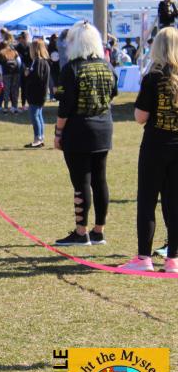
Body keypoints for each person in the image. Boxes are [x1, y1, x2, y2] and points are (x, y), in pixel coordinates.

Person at [53, 22, 116, 247]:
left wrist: (58, 132)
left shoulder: (71, 69)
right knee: (100, 180)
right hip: (103, 127)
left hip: (78, 130)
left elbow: (65, 106)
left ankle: (81, 232)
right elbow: (113, 94)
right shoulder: (107, 66)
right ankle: (98, 231)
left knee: (81, 181)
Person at [121, 27, 178, 272]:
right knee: (174, 203)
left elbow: (140, 117)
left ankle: (144, 257)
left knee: (147, 200)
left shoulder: (153, 77)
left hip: (156, 145)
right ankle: (173, 259)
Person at [23, 37, 51, 148]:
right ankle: (40, 137)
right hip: (40, 93)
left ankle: (38, 138)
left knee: (34, 115)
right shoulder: (42, 61)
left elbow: (37, 77)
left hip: (36, 94)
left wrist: (28, 74)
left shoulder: (38, 62)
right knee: (38, 115)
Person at [0, 39, 21, 113]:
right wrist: (18, 70)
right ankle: (14, 107)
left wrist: (1, 74)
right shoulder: (14, 52)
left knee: (6, 90)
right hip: (16, 72)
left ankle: (5, 108)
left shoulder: (0, 53)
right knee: (15, 90)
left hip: (6, 73)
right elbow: (19, 62)